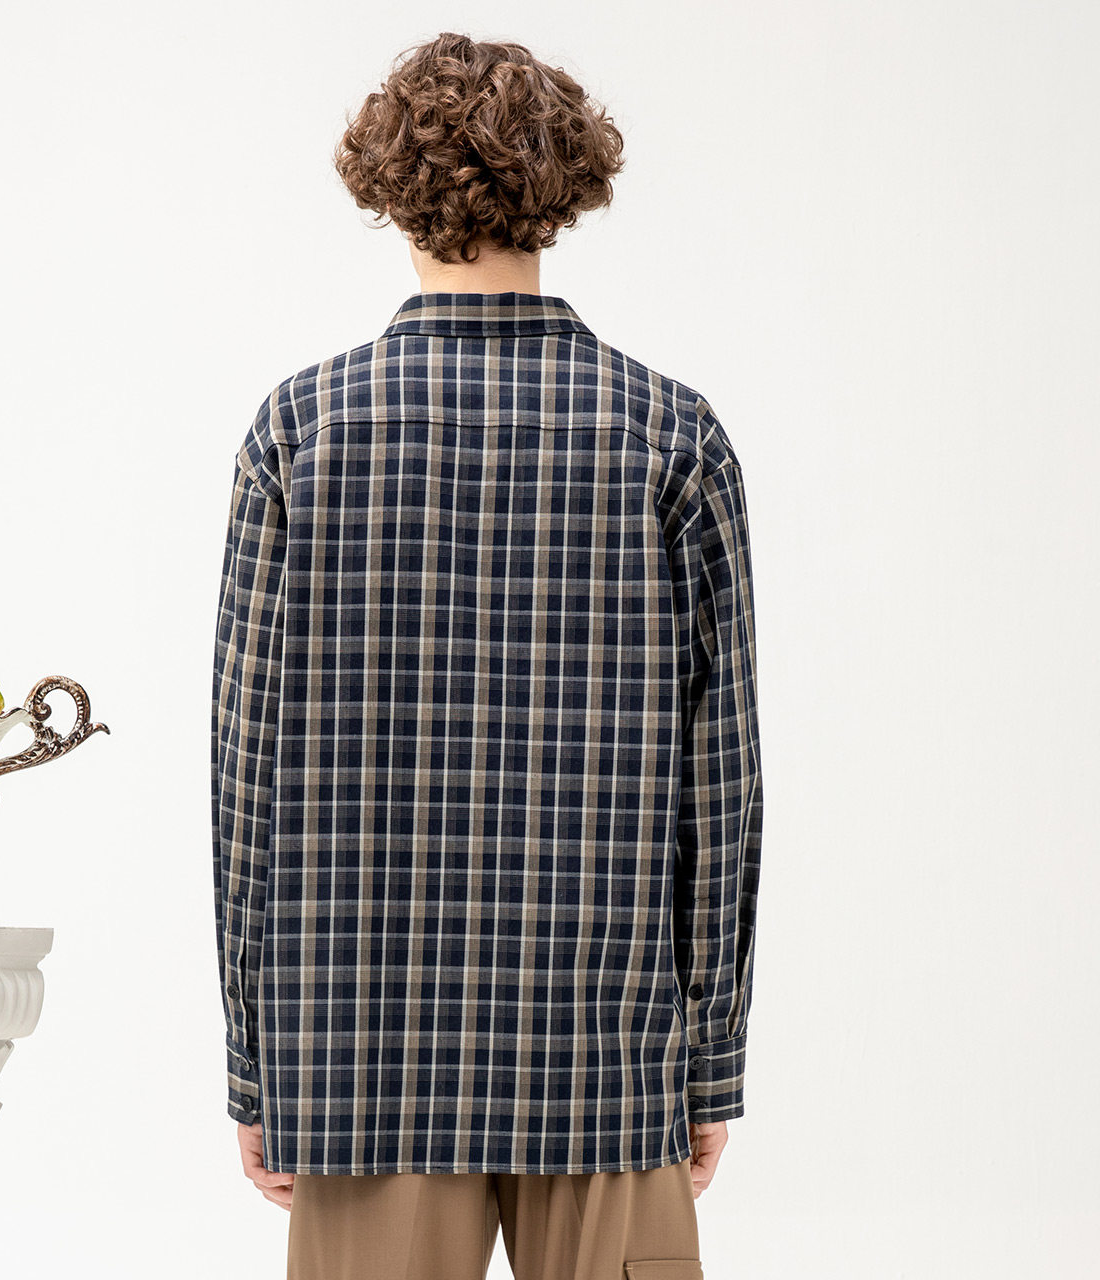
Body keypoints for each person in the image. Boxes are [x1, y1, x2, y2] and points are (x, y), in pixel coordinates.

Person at [211, 31, 764, 1280]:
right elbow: (719, 782)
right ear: (566, 186)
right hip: (608, 1060)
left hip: (362, 1064)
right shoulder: (672, 435)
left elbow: (245, 778)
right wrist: (709, 1057)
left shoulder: (299, 431)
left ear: (385, 187)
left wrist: (257, 1061)